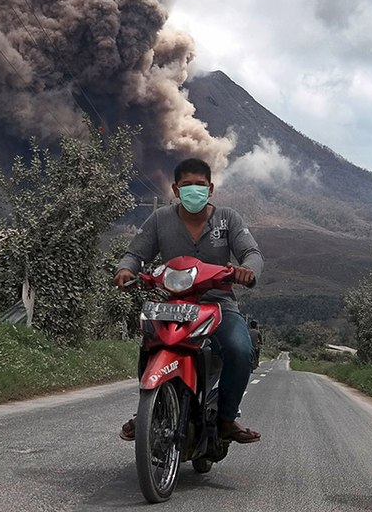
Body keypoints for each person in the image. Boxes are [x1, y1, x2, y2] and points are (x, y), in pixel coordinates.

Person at [113, 157, 265, 444]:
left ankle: (226, 419)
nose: (193, 190)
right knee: (148, 344)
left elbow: (252, 253)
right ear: (175, 189)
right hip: (172, 305)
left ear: (210, 189)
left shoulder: (227, 219)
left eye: (199, 185)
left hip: (218, 305)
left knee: (239, 349)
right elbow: (135, 254)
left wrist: (247, 271)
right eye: (186, 185)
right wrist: (125, 269)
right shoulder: (160, 219)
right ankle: (148, 410)